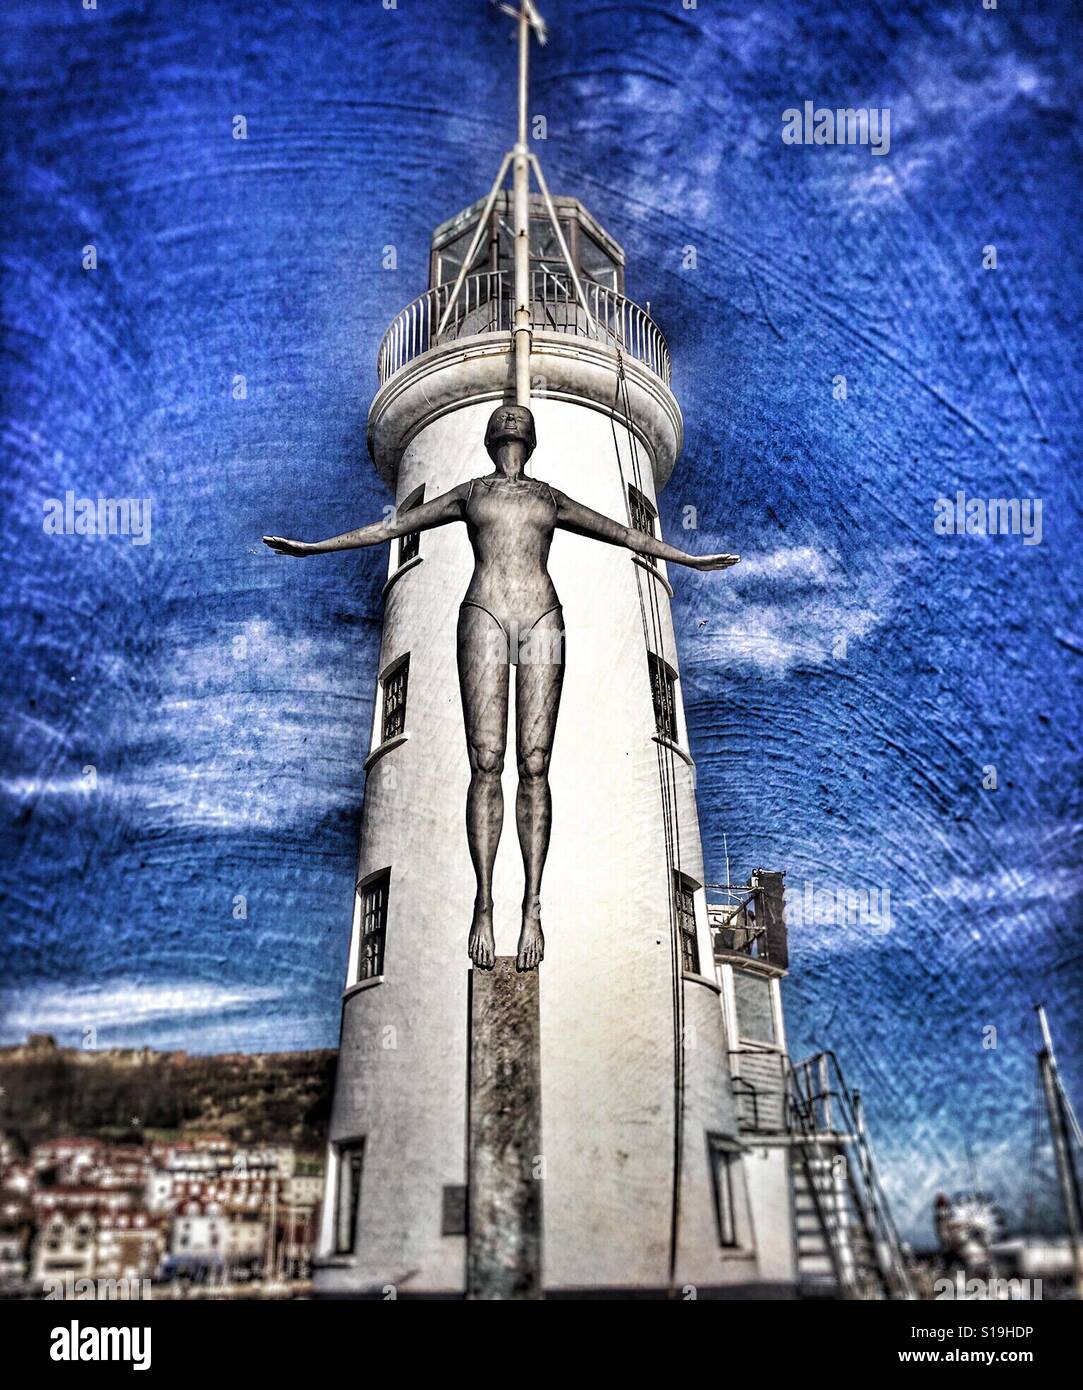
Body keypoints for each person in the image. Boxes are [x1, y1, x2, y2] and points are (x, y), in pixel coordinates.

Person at [264, 403, 739, 971]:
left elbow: (625, 534)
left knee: (535, 763)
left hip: (543, 616)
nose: (512, 423)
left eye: (519, 420)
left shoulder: (548, 497)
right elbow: (394, 526)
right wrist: (315, 546)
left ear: (530, 438)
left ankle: (532, 905)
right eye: (504, 421)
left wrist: (689, 558)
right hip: (482, 614)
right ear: (492, 438)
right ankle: (484, 903)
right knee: (486, 761)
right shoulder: (469, 492)